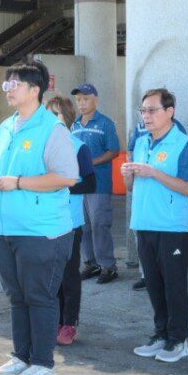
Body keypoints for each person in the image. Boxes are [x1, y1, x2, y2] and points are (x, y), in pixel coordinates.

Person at [0, 60, 79, 375]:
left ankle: (42, 362)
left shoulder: (52, 129)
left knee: (39, 296)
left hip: (42, 231)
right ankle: (21, 355)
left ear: (35, 90)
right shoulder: (6, 127)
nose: (9, 90)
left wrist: (19, 182)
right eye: (6, 84)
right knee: (16, 295)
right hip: (5, 228)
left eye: (15, 84)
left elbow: (67, 176)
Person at [125, 88, 188, 363]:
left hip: (171, 226)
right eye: (143, 111)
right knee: (153, 283)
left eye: (152, 110)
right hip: (143, 223)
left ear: (170, 112)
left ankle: (179, 339)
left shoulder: (184, 144)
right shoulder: (142, 142)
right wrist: (128, 175)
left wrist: (154, 172)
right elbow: (131, 188)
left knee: (174, 286)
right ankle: (161, 334)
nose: (147, 116)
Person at [48, 96, 96, 346]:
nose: (50, 120)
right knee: (49, 273)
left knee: (68, 273)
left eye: (55, 114)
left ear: (67, 119)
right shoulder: (41, 145)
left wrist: (62, 184)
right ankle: (54, 319)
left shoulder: (79, 147)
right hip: (44, 221)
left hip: (70, 221)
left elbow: (90, 182)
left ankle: (69, 322)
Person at [70, 84, 121, 285]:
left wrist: (91, 162)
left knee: (100, 224)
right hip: (79, 185)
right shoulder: (74, 125)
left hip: (98, 185)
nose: (82, 103)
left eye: (86, 99)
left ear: (96, 100)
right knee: (83, 226)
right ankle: (91, 263)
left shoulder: (105, 123)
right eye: (79, 100)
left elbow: (114, 151)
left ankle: (108, 266)